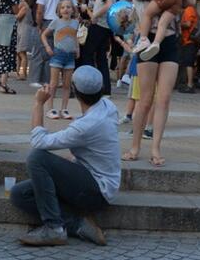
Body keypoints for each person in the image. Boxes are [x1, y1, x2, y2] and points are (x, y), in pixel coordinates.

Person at [10, 66, 120, 246]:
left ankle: (54, 228)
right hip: (95, 180)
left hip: (97, 190)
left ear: (75, 92)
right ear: (100, 90)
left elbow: (39, 141)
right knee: (20, 194)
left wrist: (39, 103)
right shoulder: (108, 107)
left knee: (37, 158)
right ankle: (77, 225)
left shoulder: (86, 125)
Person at [123, 0, 194, 167]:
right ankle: (135, 147)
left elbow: (190, 0)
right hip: (147, 43)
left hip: (170, 41)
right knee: (145, 100)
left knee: (164, 99)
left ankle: (155, 148)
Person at [80, 0, 118, 95]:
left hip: (99, 25)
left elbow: (108, 4)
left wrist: (94, 15)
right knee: (101, 57)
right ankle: (105, 89)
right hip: (107, 26)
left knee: (87, 54)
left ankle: (89, 85)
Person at [41, 0, 80, 119]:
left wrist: (77, 48)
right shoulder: (56, 22)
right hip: (58, 54)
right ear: (59, 10)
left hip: (70, 56)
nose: (66, 9)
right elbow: (43, 35)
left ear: (73, 9)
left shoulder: (75, 23)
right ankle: (50, 108)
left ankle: (64, 109)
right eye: (63, 7)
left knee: (67, 84)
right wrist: (47, 46)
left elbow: (75, 37)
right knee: (53, 83)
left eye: (68, 7)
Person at [176, 0, 200, 94]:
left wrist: (178, 24)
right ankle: (186, 83)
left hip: (189, 41)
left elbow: (188, 24)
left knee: (188, 63)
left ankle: (190, 84)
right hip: (188, 41)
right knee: (187, 62)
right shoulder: (189, 9)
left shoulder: (190, 9)